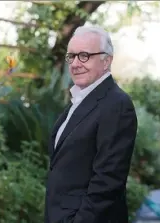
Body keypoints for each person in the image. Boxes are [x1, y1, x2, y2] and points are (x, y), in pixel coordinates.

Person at [44, 25, 138, 223]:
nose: (75, 63)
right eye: (72, 56)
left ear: (106, 61)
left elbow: (108, 182)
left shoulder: (117, 105)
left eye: (84, 55)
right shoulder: (79, 100)